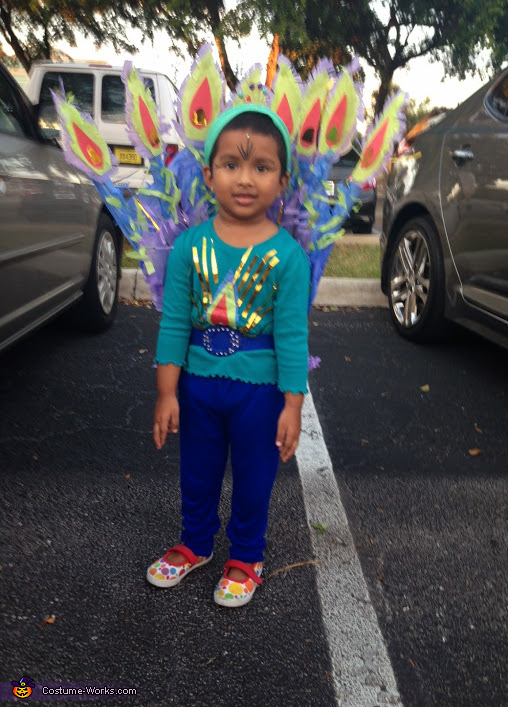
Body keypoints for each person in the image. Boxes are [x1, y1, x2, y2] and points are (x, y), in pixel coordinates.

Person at [146, 104, 310, 608]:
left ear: (281, 181)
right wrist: (167, 392)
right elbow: (175, 322)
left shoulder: (288, 257)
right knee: (197, 470)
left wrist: (292, 406)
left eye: (261, 167)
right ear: (209, 173)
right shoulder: (188, 247)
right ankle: (195, 544)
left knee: (255, 478)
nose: (245, 179)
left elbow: (292, 336)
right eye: (231, 165)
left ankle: (247, 557)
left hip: (258, 394)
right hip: (197, 385)